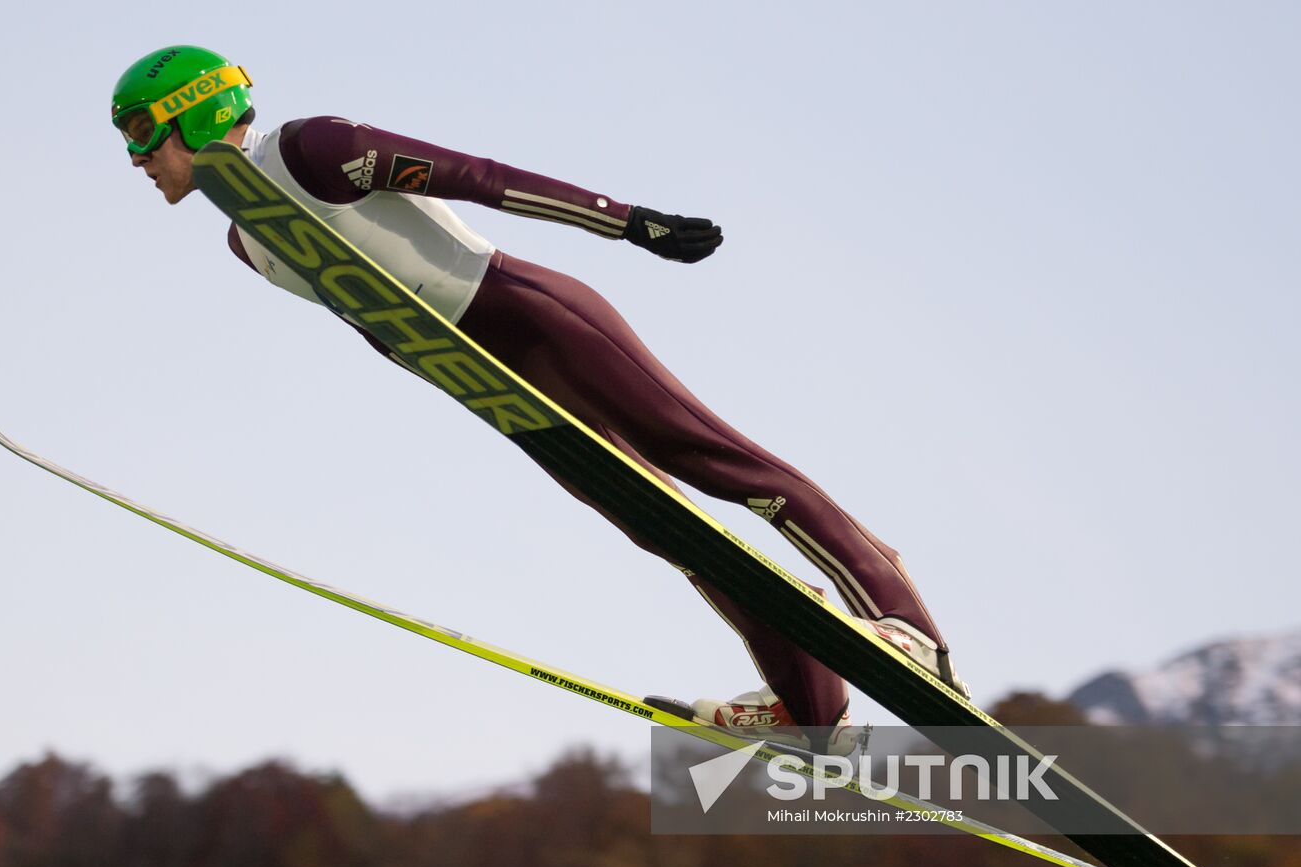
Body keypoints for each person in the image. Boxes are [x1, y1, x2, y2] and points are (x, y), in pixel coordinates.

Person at [111, 45, 969, 754]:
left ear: (200, 110)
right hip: (490, 379)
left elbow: (477, 176)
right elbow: (377, 324)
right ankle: (812, 711)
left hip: (534, 316)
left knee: (709, 458)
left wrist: (628, 220)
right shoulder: (244, 242)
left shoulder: (311, 149)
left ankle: (902, 623)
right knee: (669, 528)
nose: (138, 159)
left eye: (144, 132)